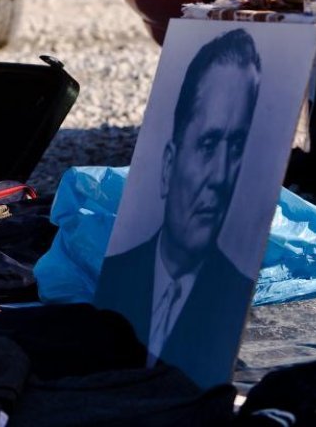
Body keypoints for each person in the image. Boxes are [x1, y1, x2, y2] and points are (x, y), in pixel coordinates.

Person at [95, 27, 261, 388]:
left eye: (235, 148)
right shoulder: (116, 281)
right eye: (207, 143)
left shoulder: (234, 293)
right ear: (169, 163)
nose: (220, 175)